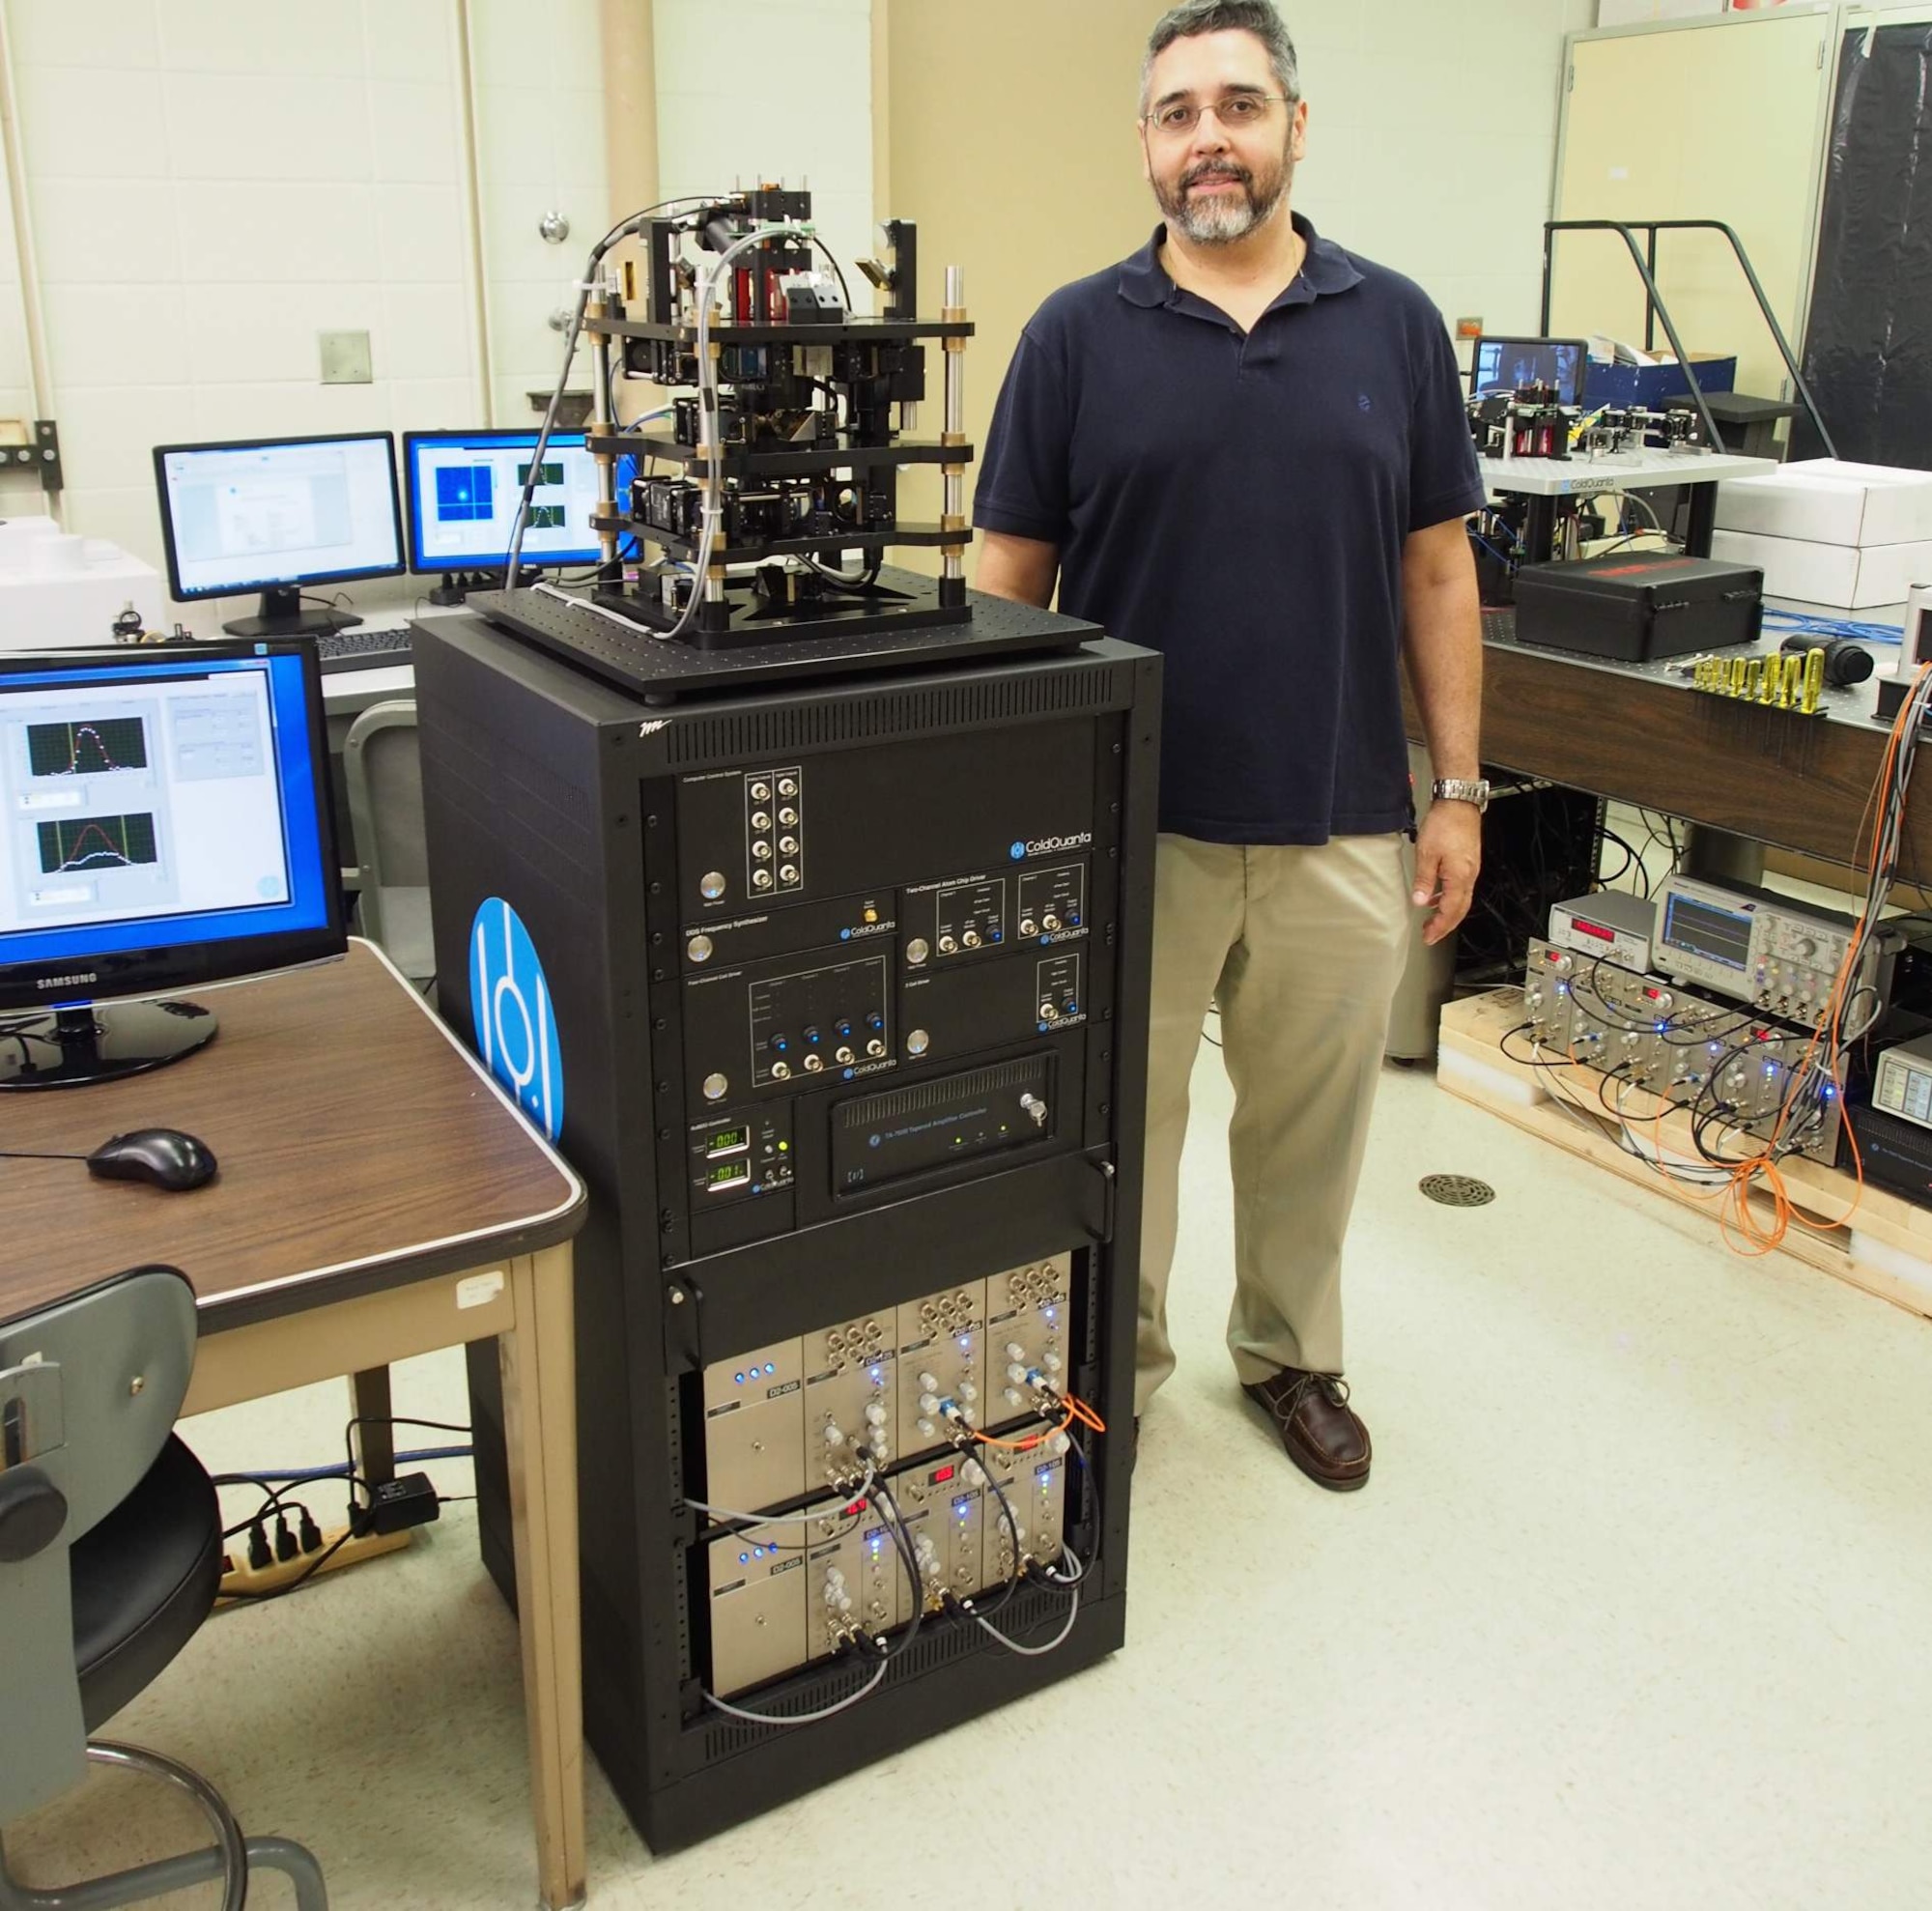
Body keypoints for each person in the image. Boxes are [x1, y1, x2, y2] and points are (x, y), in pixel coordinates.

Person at [972, 0, 1488, 1492]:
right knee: (1115, 1130)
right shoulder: (1075, 335)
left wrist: (1453, 795)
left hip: (1341, 814)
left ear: (1294, 130)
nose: (1211, 137)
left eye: (1240, 106)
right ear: (1146, 143)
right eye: (1180, 111)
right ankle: (1110, 1373)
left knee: (1315, 1127)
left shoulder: (1393, 324)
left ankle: (1287, 1354)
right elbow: (1006, 581)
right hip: (1131, 825)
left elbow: (1440, 574)